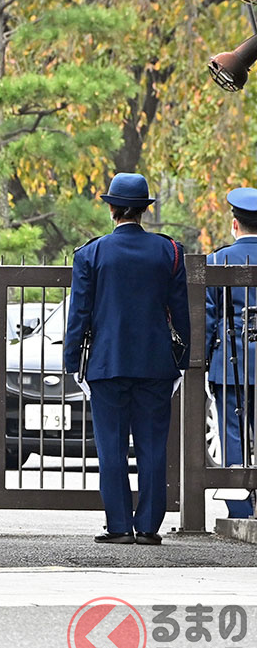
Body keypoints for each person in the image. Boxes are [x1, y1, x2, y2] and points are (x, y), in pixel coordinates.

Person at [64, 172, 191, 545]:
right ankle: (149, 527)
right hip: (156, 363)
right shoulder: (170, 251)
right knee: (152, 447)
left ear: (112, 209)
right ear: (144, 210)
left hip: (107, 363)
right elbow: (180, 313)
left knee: (112, 447)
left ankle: (119, 526)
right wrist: (182, 360)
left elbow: (79, 314)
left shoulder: (91, 253)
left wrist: (73, 362)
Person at [204, 187, 257, 519]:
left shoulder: (217, 260)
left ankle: (239, 510)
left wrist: (203, 361)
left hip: (230, 363)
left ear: (234, 224)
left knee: (232, 435)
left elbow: (208, 319)